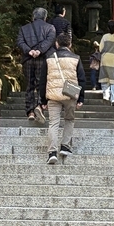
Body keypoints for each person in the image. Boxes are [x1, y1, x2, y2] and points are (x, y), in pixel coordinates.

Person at [43, 31, 86, 164]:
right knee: (69, 120)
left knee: (53, 123)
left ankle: (52, 152)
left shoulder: (49, 58)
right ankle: (65, 146)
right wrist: (81, 98)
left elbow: (43, 80)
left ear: (56, 44)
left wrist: (42, 100)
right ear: (70, 44)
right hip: (70, 95)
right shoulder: (76, 58)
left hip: (53, 95)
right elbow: (82, 79)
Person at [17, 8, 56, 123]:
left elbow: (20, 42)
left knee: (29, 85)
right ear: (45, 17)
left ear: (33, 17)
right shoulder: (50, 28)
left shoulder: (24, 28)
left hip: (28, 59)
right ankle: (39, 106)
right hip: (42, 59)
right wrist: (39, 51)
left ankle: (30, 111)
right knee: (41, 84)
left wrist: (29, 51)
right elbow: (49, 41)